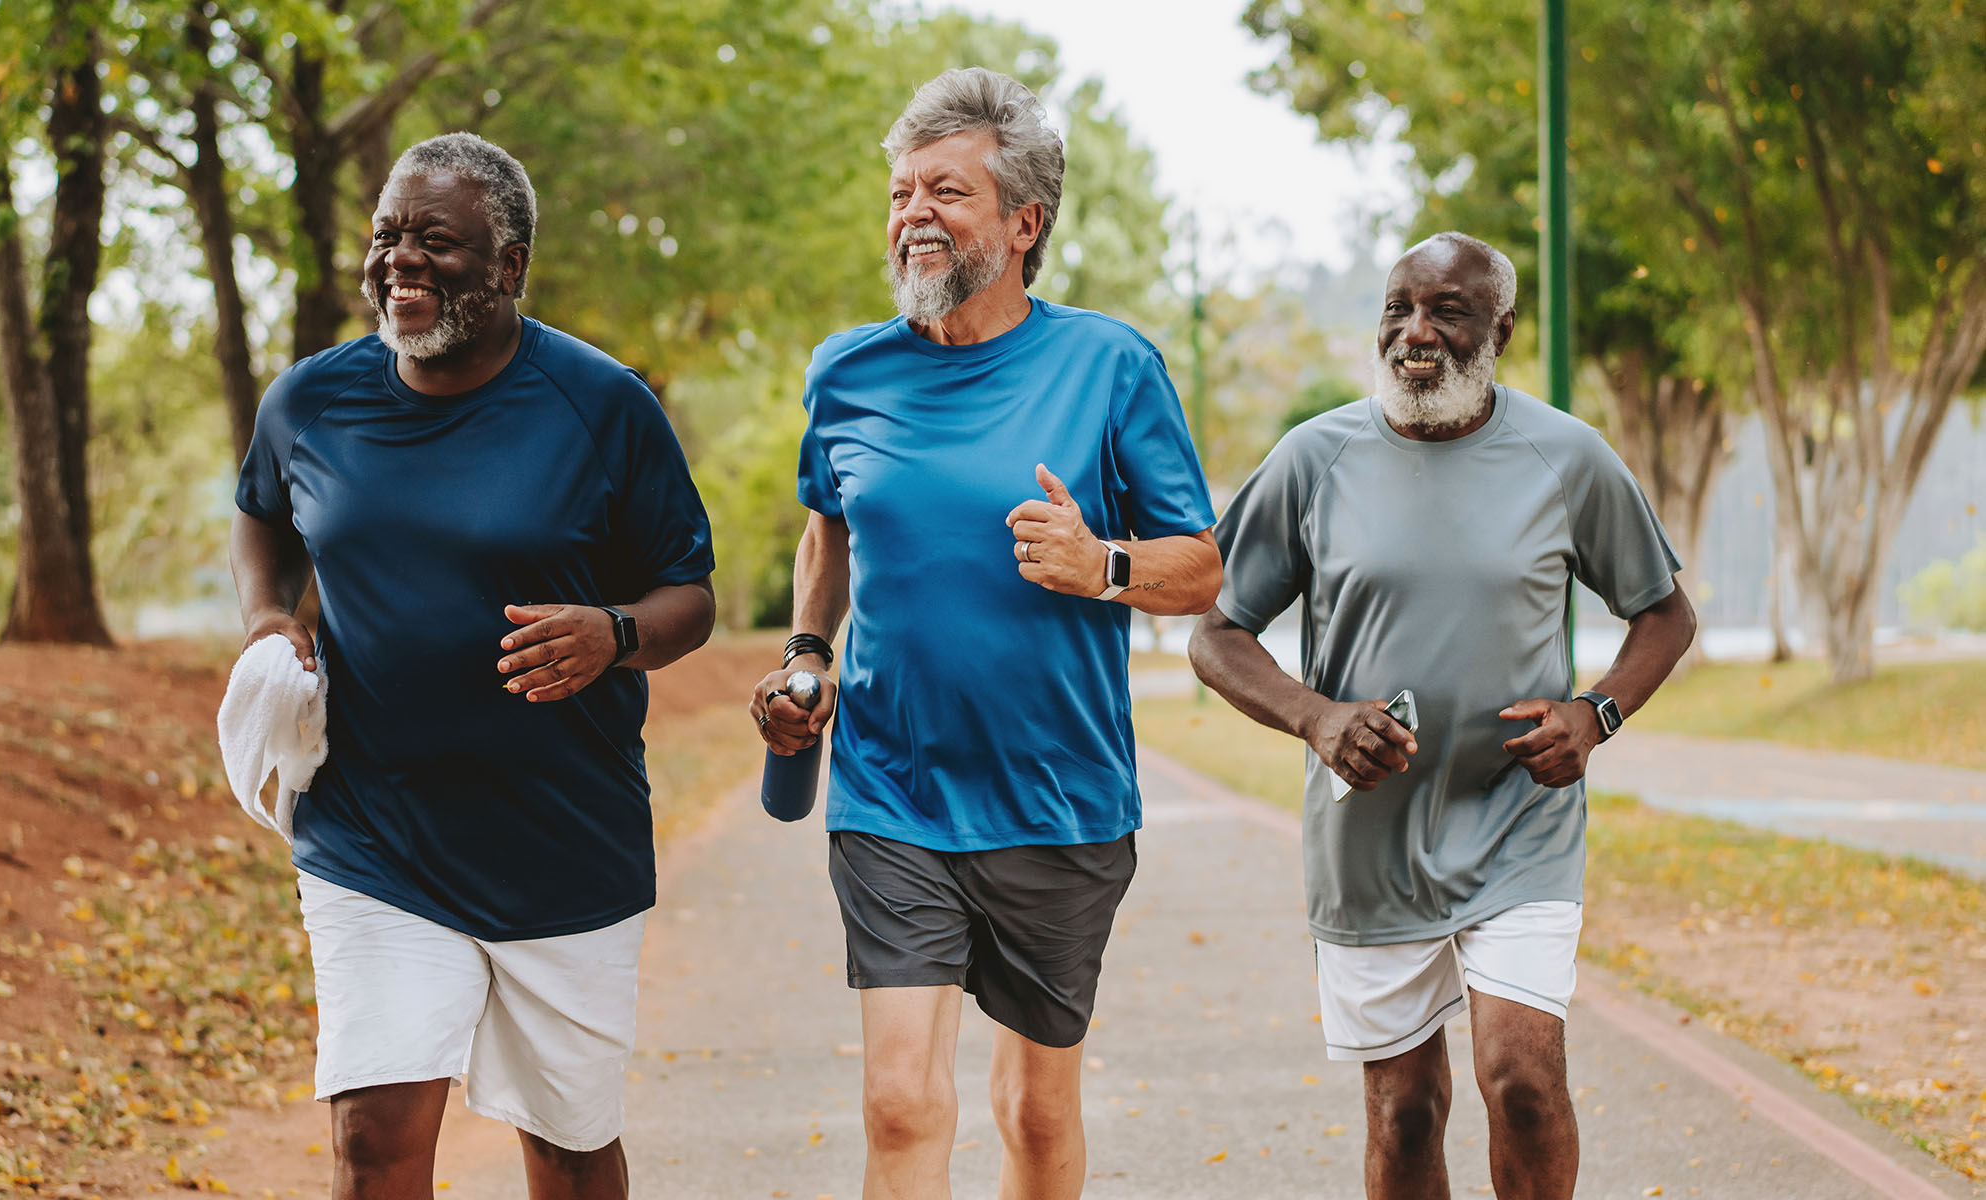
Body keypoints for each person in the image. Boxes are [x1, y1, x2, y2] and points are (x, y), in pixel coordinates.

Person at [749, 68, 1223, 1200]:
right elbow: (831, 536)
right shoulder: (846, 372)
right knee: (901, 1103)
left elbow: (1201, 568)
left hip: (1057, 795)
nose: (912, 213)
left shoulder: (1109, 365)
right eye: (901, 191)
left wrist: (1101, 564)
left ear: (1023, 223)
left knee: (1037, 1119)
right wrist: (806, 659)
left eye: (946, 191)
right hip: (893, 789)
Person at [230, 132, 715, 1200]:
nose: (399, 260)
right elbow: (261, 514)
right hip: (374, 834)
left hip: (563, 843)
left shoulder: (603, 406)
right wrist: (269, 614)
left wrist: (614, 634)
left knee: (571, 1149)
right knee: (373, 1138)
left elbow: (692, 596)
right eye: (386, 236)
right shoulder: (310, 403)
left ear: (508, 266)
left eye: (435, 242)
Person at [1188, 232, 1697, 1200]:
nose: (1415, 332)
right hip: (1367, 839)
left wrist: (1594, 716)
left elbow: (1664, 615)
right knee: (1405, 1112)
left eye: (1446, 311)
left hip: (1520, 823)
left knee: (1525, 1083)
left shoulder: (1565, 456)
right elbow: (1215, 634)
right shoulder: (1312, 458)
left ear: (1499, 328)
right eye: (1398, 308)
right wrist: (1316, 717)